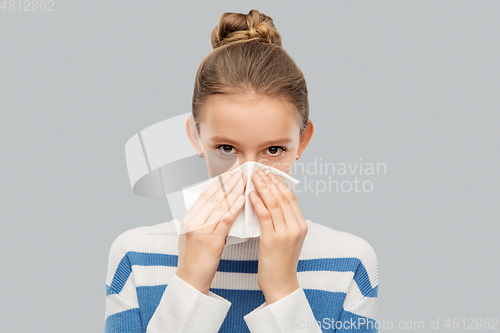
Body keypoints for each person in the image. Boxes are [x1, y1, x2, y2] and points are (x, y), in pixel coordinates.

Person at [104, 9, 378, 333]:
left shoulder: (349, 262)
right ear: (195, 137)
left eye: (273, 150)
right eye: (226, 149)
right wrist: (190, 282)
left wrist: (282, 290)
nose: (248, 177)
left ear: (302, 141)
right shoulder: (136, 256)